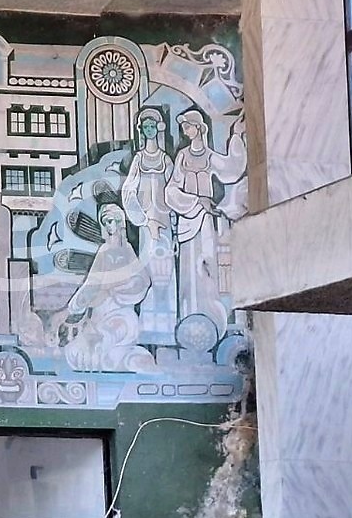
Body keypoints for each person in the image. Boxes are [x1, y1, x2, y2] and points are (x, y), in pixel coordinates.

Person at [163, 110, 246, 331]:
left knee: (209, 266)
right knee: (189, 269)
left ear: (199, 127)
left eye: (188, 126)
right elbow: (171, 190)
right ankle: (189, 320)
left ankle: (212, 319)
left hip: (207, 221)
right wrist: (195, 200)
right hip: (188, 220)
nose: (185, 131)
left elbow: (232, 170)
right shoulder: (182, 156)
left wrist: (236, 136)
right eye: (183, 128)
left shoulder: (209, 156)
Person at [59, 203, 154, 372]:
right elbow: (93, 280)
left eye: (112, 221)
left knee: (116, 331)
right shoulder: (104, 250)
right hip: (102, 307)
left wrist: (124, 288)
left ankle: (110, 356)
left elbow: (142, 279)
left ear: (120, 222)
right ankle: (98, 356)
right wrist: (78, 303)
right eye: (106, 222)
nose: (110, 226)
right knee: (86, 345)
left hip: (121, 307)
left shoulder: (127, 249)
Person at [120, 108, 177, 330]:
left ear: (158, 128)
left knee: (167, 270)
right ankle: (148, 323)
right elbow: (128, 190)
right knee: (149, 269)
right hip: (145, 224)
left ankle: (169, 322)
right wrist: (143, 219)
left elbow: (173, 189)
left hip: (165, 221)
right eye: (146, 127)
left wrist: (172, 221)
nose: (150, 130)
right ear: (141, 130)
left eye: (153, 126)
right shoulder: (139, 159)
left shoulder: (165, 159)